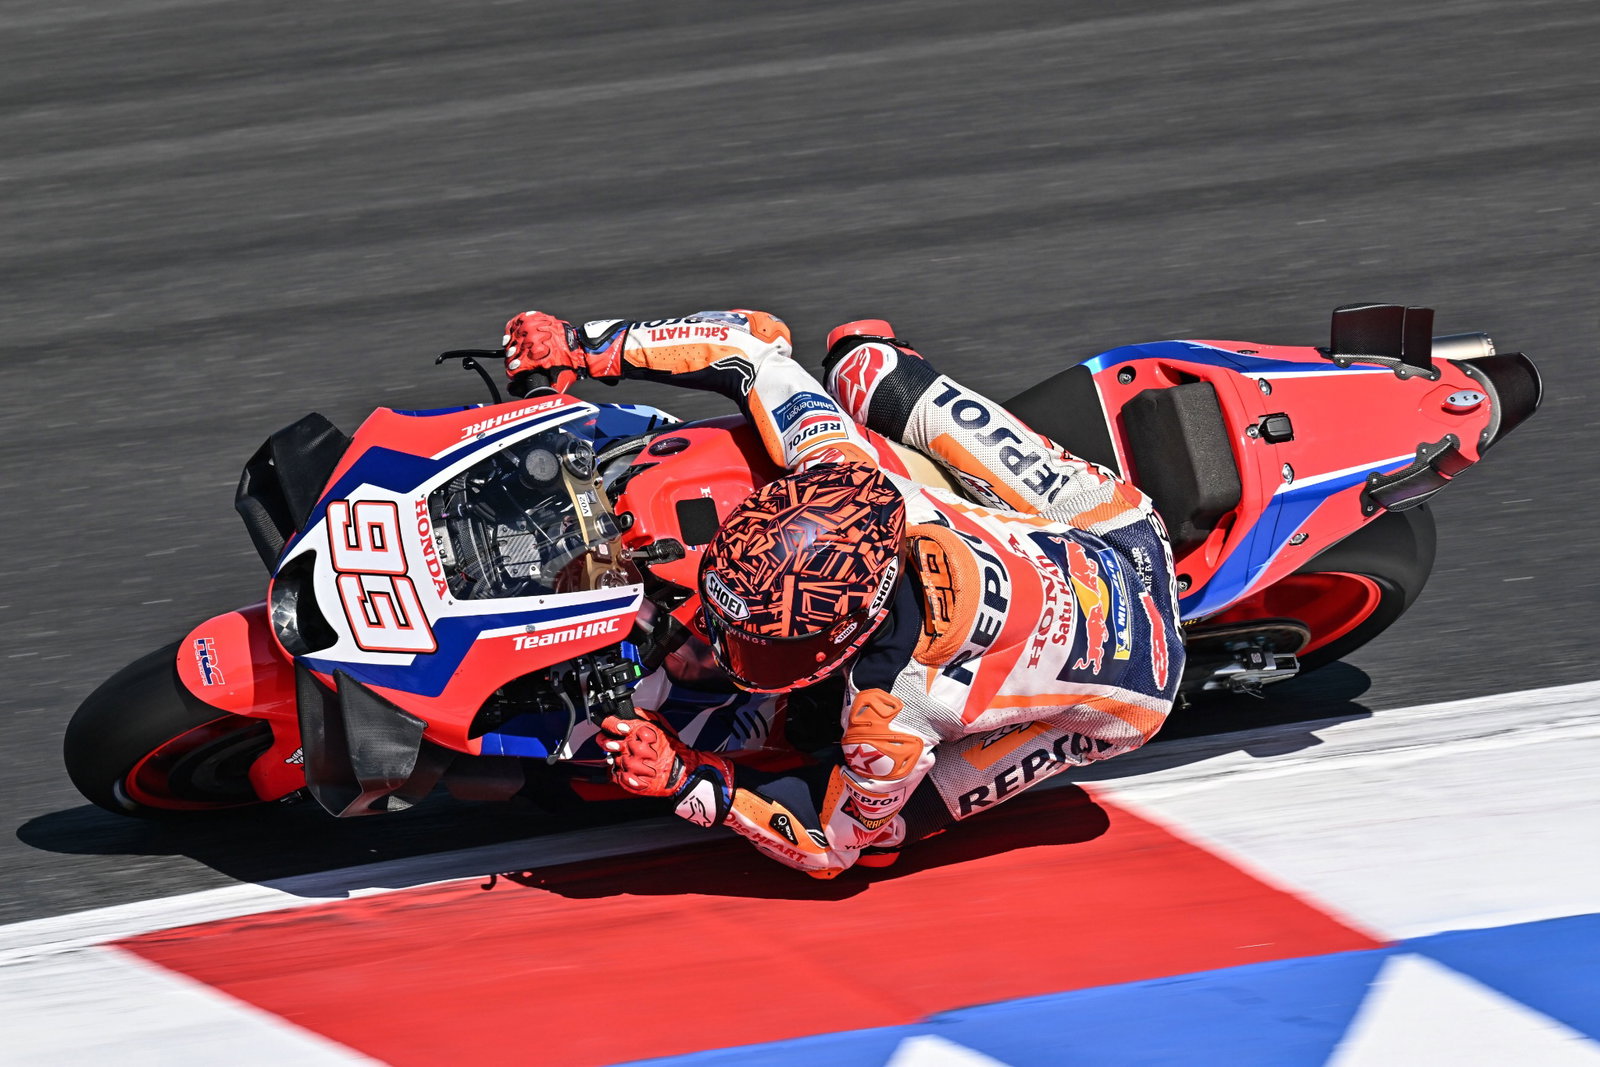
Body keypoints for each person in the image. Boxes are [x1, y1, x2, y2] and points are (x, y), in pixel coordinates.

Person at [500, 308, 1184, 878]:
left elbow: (829, 846)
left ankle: (1071, 719)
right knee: (863, 365)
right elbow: (747, 348)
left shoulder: (889, 717)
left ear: (847, 635)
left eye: (763, 640)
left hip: (1135, 684)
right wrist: (588, 346)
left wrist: (685, 779)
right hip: (1110, 527)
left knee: (881, 837)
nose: (728, 642)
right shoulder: (838, 467)